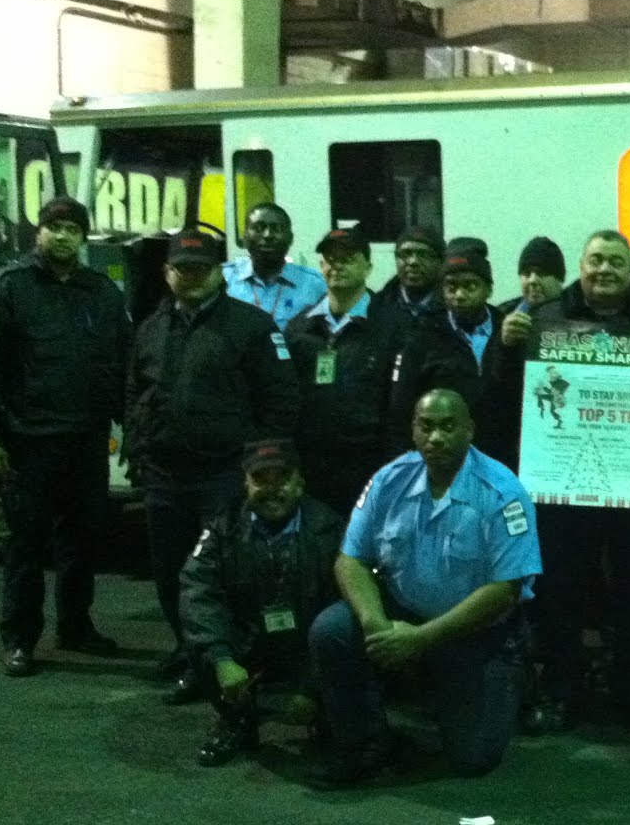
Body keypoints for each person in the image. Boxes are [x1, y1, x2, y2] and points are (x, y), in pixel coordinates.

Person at [496, 229, 630, 729]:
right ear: (580, 266)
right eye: (596, 259)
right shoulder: (541, 319)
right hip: (562, 487)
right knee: (559, 591)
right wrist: (505, 348)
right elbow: (502, 399)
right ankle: (562, 689)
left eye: (616, 262)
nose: (605, 269)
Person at [309, 389, 541, 785]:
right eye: (426, 426)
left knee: (474, 759)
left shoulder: (503, 493)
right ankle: (367, 743)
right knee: (331, 631)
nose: (436, 438)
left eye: (448, 427)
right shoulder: (389, 479)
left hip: (477, 632)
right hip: (404, 615)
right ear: (414, 430)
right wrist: (375, 626)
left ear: (469, 430)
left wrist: (419, 640)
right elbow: (351, 560)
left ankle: (510, 680)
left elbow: (505, 590)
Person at [126, 228, 300, 701]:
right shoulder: (152, 328)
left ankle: (223, 663)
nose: (192, 277)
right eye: (183, 269)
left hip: (223, 476)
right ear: (167, 273)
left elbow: (280, 401)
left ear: (220, 273)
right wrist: (138, 450)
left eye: (202, 269)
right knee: (170, 574)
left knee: (222, 578)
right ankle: (190, 652)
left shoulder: (252, 326)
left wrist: (259, 467)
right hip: (164, 477)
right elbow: (135, 391)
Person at [0, 195, 132, 677]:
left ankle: (75, 627)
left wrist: (131, 429)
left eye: (72, 229)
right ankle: (20, 639)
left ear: (83, 237)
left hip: (86, 439)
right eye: (54, 227)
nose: (62, 236)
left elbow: (121, 365)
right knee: (27, 544)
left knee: (82, 540)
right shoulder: (10, 287)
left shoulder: (101, 292)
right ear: (38, 232)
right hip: (28, 442)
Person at [179, 438, 344, 767]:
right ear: (246, 483)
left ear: (300, 481)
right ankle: (236, 720)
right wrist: (221, 658)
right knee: (205, 640)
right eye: (260, 479)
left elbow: (343, 608)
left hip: (306, 642)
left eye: (282, 477)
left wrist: (310, 689)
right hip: (250, 638)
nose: (272, 489)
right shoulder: (223, 526)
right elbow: (196, 589)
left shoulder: (331, 528)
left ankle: (327, 714)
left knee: (340, 630)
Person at [285, 229, 414, 513]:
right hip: (311, 467)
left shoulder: (394, 326)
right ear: (321, 266)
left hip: (371, 466)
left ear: (368, 267)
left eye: (348, 259)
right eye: (330, 259)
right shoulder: (299, 329)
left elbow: (400, 406)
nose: (337, 266)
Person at [441, 238, 521, 468]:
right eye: (451, 287)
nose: (459, 294)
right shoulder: (425, 334)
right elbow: (403, 410)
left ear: (489, 289)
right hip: (446, 456)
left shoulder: (508, 330)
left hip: (503, 456)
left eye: (470, 286)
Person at [224, 203, 326, 331]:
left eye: (276, 229)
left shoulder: (314, 284)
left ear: (291, 238)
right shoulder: (224, 278)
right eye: (258, 228)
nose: (267, 235)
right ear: (245, 236)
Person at [372, 225, 448, 326]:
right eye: (405, 254)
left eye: (423, 254)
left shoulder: (454, 309)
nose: (413, 262)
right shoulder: (377, 307)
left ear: (441, 261)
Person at [497, 236, 566, 315]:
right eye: (527, 274)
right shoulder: (500, 316)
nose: (532, 280)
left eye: (541, 273)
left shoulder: (574, 315)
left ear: (559, 279)